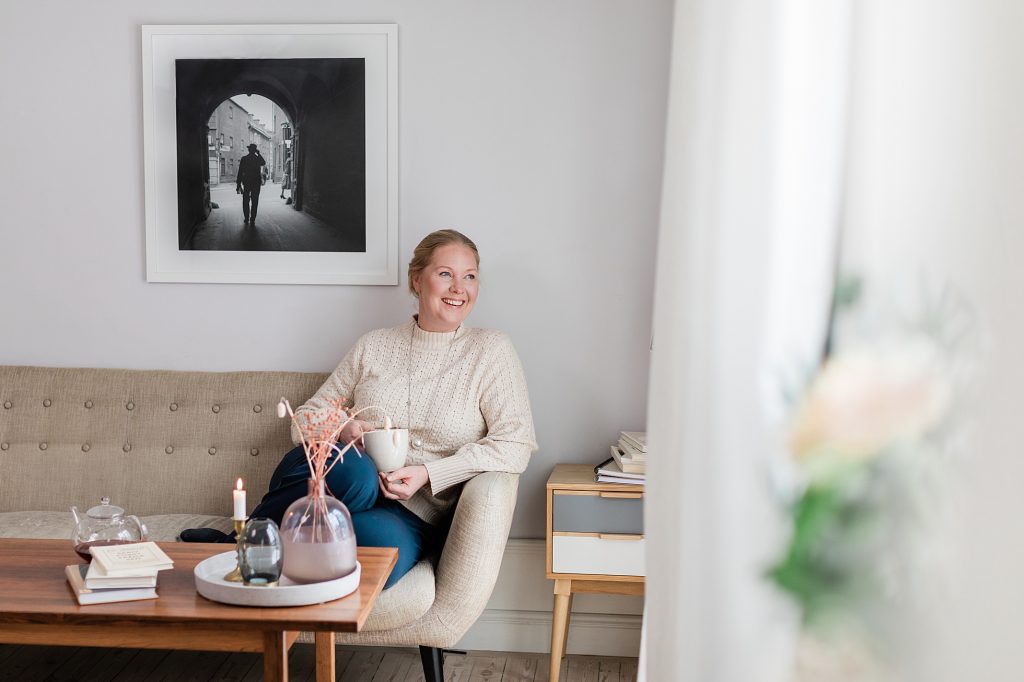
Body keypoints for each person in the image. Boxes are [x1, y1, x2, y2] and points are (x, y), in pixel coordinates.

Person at [181, 230, 537, 589]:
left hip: (412, 514)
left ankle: (266, 557)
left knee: (373, 547)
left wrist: (428, 473)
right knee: (357, 474)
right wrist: (344, 430)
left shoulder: (490, 351)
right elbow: (305, 417)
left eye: (470, 276)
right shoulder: (375, 345)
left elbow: (517, 443)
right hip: (339, 480)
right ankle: (240, 542)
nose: (459, 288)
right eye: (445, 274)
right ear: (417, 279)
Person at [236, 144, 265, 225]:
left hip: (247, 183)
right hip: (256, 183)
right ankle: (252, 219)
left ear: (249, 150)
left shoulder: (244, 159)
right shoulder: (257, 159)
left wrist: (238, 184)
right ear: (255, 150)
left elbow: (240, 172)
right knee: (255, 201)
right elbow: (263, 162)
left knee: (245, 201)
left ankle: (246, 218)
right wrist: (258, 153)